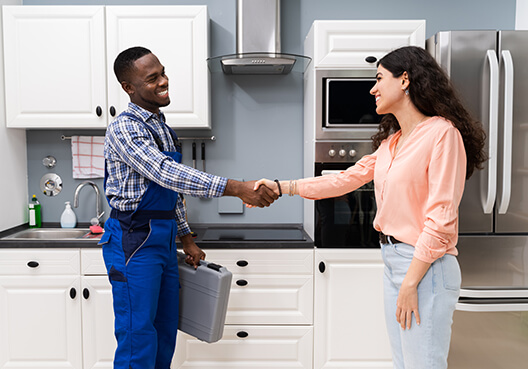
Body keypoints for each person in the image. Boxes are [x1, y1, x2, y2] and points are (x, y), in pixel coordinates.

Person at [253, 46, 487, 369]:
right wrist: (283, 187)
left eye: (379, 78)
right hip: (395, 263)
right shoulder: (393, 142)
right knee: (404, 364)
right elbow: (344, 180)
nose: (372, 88)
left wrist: (410, 282)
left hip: (426, 268)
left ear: (405, 79)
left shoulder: (442, 135)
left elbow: (441, 220)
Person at [99, 46, 278, 369]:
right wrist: (236, 188)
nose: (164, 81)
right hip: (133, 240)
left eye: (163, 73)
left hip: (163, 241)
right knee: (137, 335)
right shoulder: (125, 128)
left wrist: (186, 238)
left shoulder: (162, 128)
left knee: (165, 331)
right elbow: (166, 173)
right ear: (129, 87)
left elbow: (171, 192)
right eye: (152, 78)